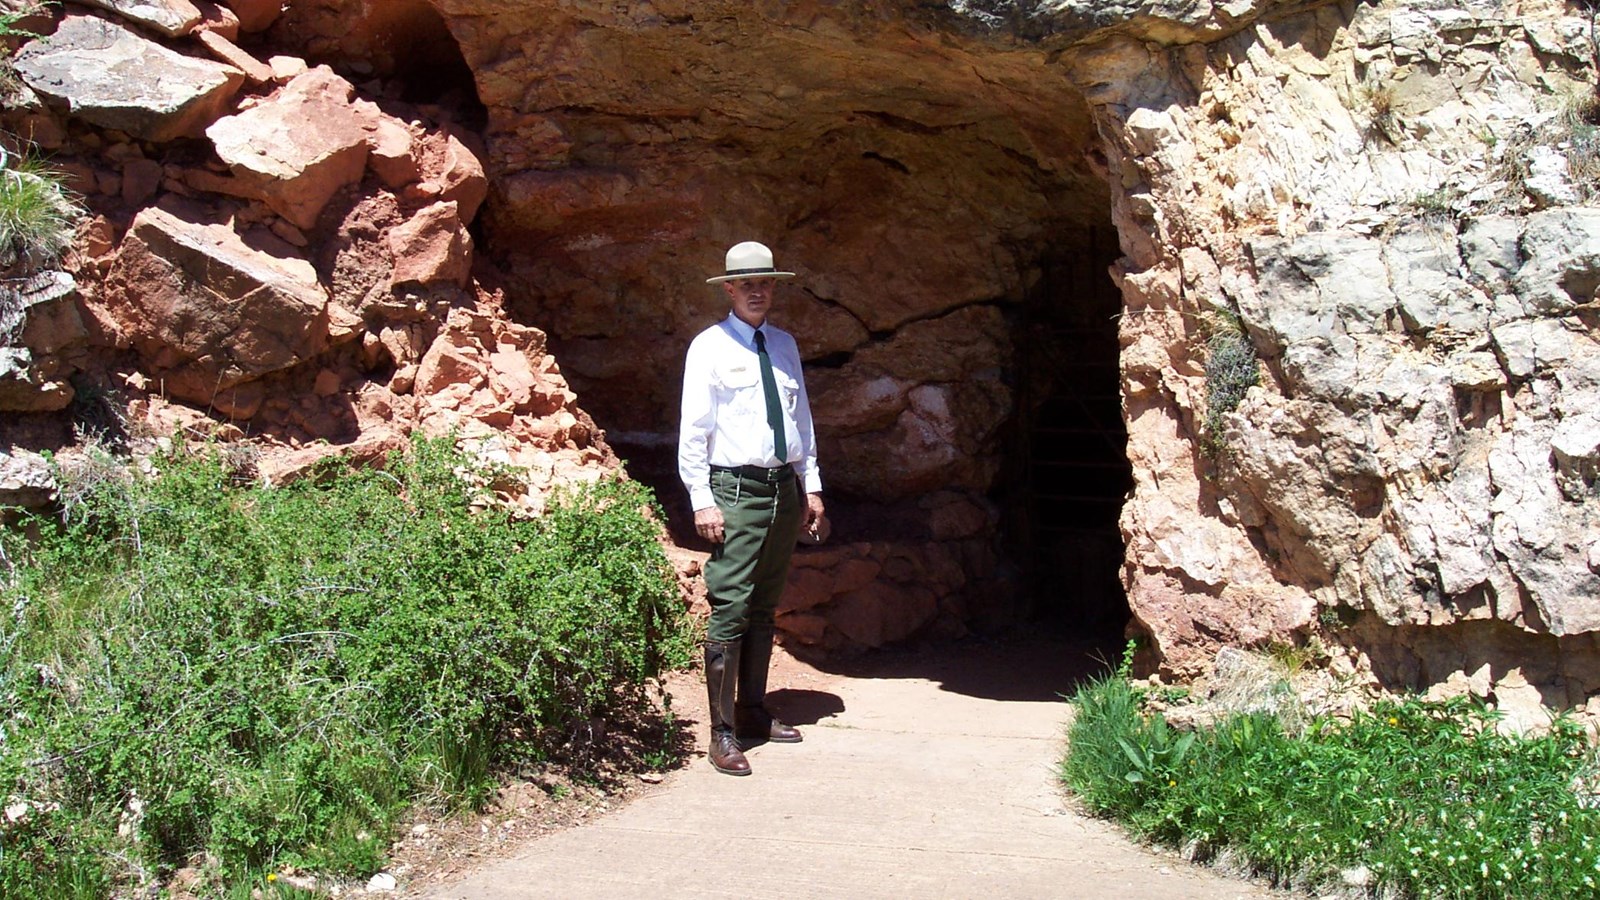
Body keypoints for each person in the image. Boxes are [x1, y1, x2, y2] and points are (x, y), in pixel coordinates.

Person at [678, 240, 827, 776]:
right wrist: (702, 500)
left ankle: (753, 713)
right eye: (747, 284)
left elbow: (801, 421)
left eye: (765, 283)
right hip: (735, 490)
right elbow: (694, 431)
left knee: (765, 604)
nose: (757, 291)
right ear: (729, 290)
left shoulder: (784, 345)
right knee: (732, 604)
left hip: (782, 488)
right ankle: (720, 733)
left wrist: (810, 486)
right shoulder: (709, 348)